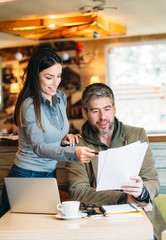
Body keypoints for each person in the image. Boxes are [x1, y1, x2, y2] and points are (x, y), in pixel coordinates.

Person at [1, 48, 96, 215]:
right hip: (26, 175)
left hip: (49, 173)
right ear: (35, 76)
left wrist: (64, 137)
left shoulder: (60, 98)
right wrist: (73, 152)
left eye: (58, 76)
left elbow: (53, 131)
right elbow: (39, 147)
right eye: (49, 77)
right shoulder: (29, 105)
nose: (55, 82)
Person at [66, 83, 166, 240]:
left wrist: (142, 192)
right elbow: (78, 191)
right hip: (99, 223)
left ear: (114, 108)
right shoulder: (78, 146)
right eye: (95, 111)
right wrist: (123, 198)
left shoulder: (137, 135)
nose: (102, 117)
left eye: (107, 109)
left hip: (141, 218)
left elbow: (152, 181)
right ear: (85, 113)